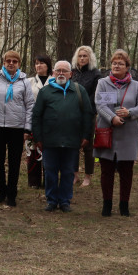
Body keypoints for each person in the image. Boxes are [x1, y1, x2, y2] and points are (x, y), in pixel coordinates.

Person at [31, 61, 94, 212]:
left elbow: (88, 115)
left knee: (68, 172)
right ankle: (51, 200)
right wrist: (38, 138)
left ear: (70, 74)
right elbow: (36, 116)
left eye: (64, 71)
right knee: (50, 171)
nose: (61, 73)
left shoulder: (79, 91)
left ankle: (65, 201)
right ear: (53, 73)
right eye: (57, 70)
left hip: (72, 140)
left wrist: (86, 136)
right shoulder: (45, 92)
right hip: (49, 140)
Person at [94, 50, 138, 217]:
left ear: (127, 67)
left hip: (128, 134)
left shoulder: (136, 86)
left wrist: (129, 112)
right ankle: (107, 205)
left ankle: (124, 205)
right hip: (107, 132)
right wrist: (112, 118)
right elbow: (100, 105)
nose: (117, 66)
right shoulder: (103, 83)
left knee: (126, 172)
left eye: (121, 63)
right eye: (114, 63)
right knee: (106, 171)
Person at [0, 50, 34, 207]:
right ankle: (1, 190)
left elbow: (30, 105)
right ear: (3, 63)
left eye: (14, 61)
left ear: (19, 64)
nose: (11, 63)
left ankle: (12, 193)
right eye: (8, 61)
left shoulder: (24, 81)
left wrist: (27, 129)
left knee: (14, 162)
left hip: (16, 128)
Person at [71, 46, 101, 187]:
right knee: (73, 145)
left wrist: (89, 111)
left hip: (88, 114)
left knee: (88, 145)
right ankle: (74, 174)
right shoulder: (72, 73)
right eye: (80, 56)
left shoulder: (95, 74)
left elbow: (96, 95)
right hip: (72, 113)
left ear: (90, 58)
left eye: (85, 56)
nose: (82, 58)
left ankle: (88, 176)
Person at [26, 55, 51, 188]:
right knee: (33, 149)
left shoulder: (54, 81)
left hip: (49, 121)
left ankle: (48, 180)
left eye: (41, 63)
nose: (38, 66)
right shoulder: (29, 81)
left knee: (48, 150)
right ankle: (34, 181)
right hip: (33, 119)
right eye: (36, 63)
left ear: (48, 66)